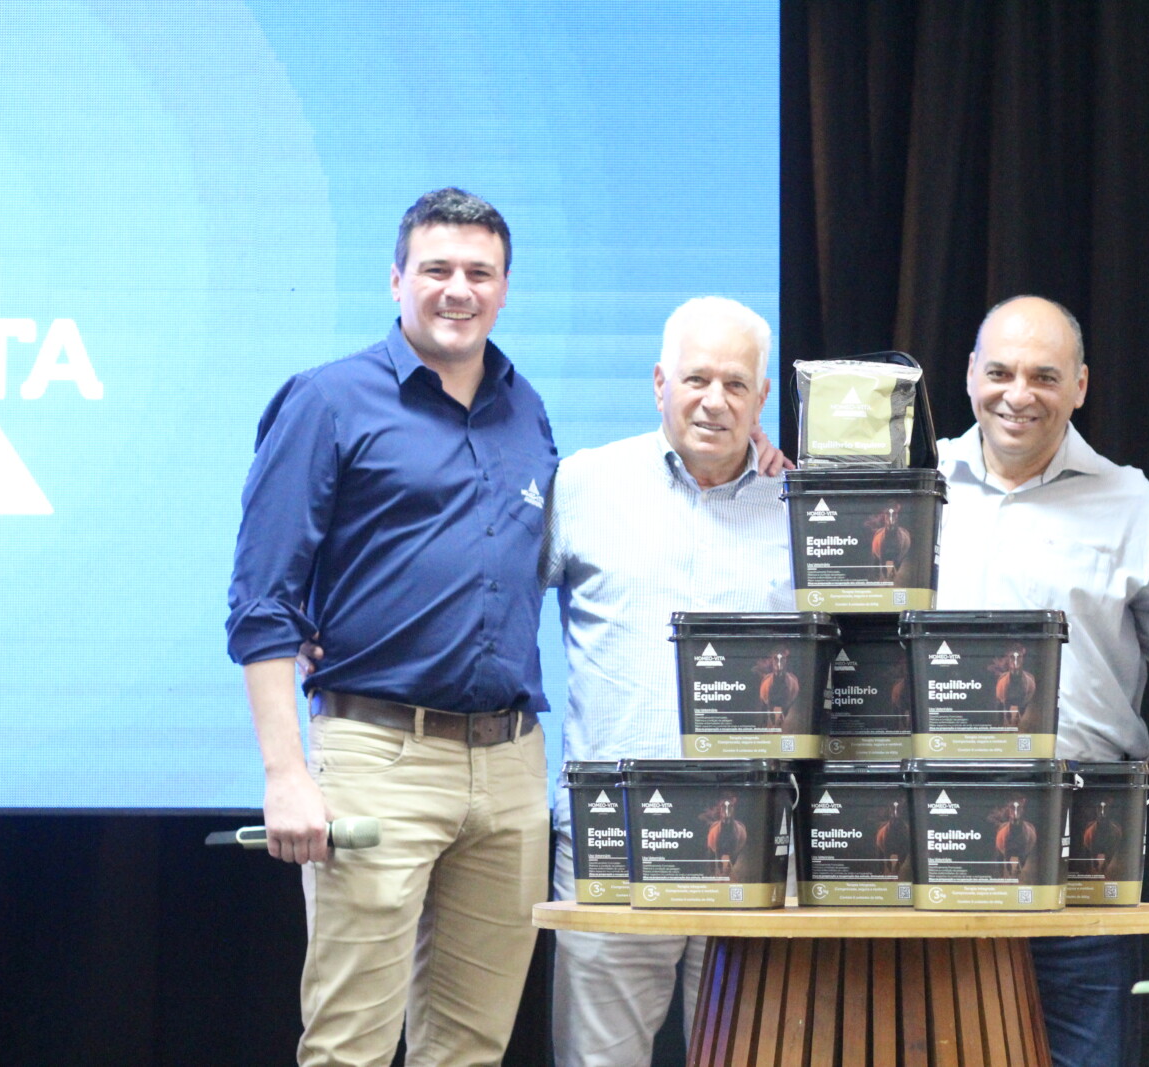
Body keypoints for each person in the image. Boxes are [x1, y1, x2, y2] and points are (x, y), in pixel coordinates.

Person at [226, 188, 555, 1066]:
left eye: (479, 271)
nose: (459, 288)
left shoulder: (526, 408)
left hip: (513, 767)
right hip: (379, 759)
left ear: (504, 288)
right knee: (350, 1046)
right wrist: (286, 774)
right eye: (437, 268)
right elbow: (261, 603)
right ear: (397, 280)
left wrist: (751, 463)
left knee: (471, 1048)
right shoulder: (327, 400)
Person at [934, 295, 1149, 1067]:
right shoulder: (916, 486)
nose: (1018, 394)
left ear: (1080, 385)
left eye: (1044, 376)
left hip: (1082, 847)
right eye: (1000, 372)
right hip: (932, 844)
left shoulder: (1130, 502)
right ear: (970, 375)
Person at [541, 296, 792, 1067]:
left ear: (762, 397)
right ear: (659, 384)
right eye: (696, 379)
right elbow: (488, 598)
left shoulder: (800, 506)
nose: (715, 401)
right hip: (614, 847)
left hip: (756, 853)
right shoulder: (582, 484)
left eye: (736, 384)